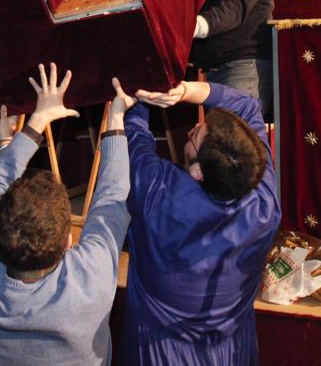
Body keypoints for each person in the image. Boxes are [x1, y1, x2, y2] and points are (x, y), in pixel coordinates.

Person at [0, 64, 132, 365]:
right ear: (69, 241)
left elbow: (111, 199)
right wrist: (117, 115)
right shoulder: (89, 281)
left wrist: (38, 120)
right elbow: (111, 199)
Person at [120, 79, 281, 365]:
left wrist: (141, 94)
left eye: (195, 136)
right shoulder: (264, 204)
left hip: (159, 353)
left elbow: (133, 137)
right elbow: (247, 106)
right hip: (232, 351)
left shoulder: (158, 197)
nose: (192, 129)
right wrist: (184, 91)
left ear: (198, 172)